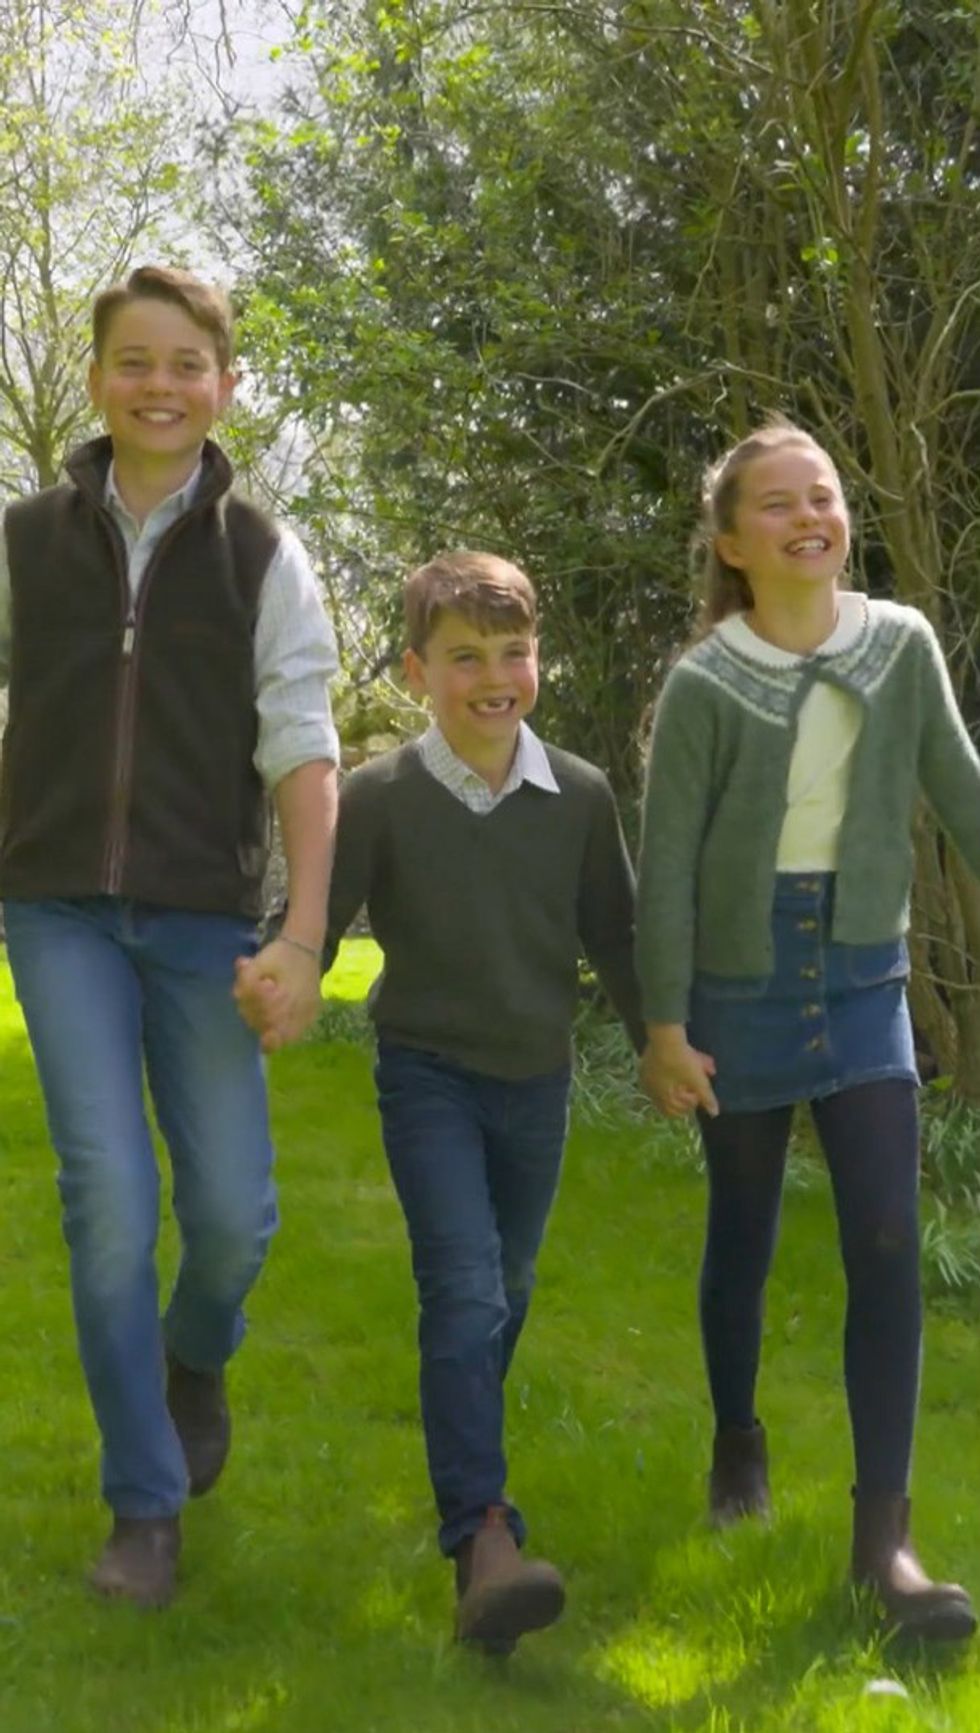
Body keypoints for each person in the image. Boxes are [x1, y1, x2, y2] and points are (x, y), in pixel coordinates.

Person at [0, 265, 339, 1607]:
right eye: (133, 360)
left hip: (206, 917)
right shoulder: (25, 541)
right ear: (94, 380)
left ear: (225, 383)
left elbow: (306, 749)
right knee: (108, 1203)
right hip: (56, 907)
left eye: (186, 362)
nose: (159, 384)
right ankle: (143, 1506)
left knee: (233, 1216)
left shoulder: (262, 555)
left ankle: (194, 1357)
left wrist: (305, 934)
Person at [240, 551, 645, 1654]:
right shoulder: (379, 796)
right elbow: (320, 914)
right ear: (417, 669)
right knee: (462, 1285)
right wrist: (287, 976)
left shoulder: (579, 796)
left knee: (502, 1287)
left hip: (537, 1079)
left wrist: (660, 1037)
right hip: (426, 1074)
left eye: (511, 652)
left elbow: (615, 932)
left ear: (538, 664)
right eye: (463, 656)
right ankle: (481, 1531)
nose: (492, 675)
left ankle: (472, 1486)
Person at [635, 418, 979, 1641]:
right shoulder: (703, 682)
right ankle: (737, 1434)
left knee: (885, 1230)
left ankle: (879, 1539)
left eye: (820, 494)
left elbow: (958, 785)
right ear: (732, 542)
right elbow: (664, 863)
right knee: (742, 1228)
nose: (805, 516)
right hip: (735, 981)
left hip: (859, 974)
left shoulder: (899, 647)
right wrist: (664, 1026)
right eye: (773, 504)